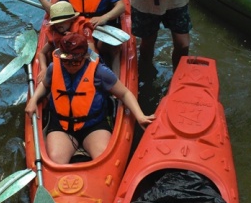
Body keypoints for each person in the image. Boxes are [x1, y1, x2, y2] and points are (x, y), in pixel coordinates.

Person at [25, 33, 154, 164]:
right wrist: (33, 100)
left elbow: (124, 94)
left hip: (94, 125)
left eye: (75, 61)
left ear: (85, 56)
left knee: (104, 158)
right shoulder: (54, 68)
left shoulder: (100, 72)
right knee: (55, 160)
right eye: (65, 61)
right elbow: (45, 86)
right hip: (61, 126)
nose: (70, 65)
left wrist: (140, 116)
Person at [37, 1, 94, 84]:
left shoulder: (84, 30)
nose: (58, 25)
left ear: (72, 20)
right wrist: (44, 68)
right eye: (56, 23)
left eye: (63, 21)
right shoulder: (54, 33)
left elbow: (92, 54)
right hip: (65, 65)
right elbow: (41, 53)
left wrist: (76, 39)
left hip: (80, 64)